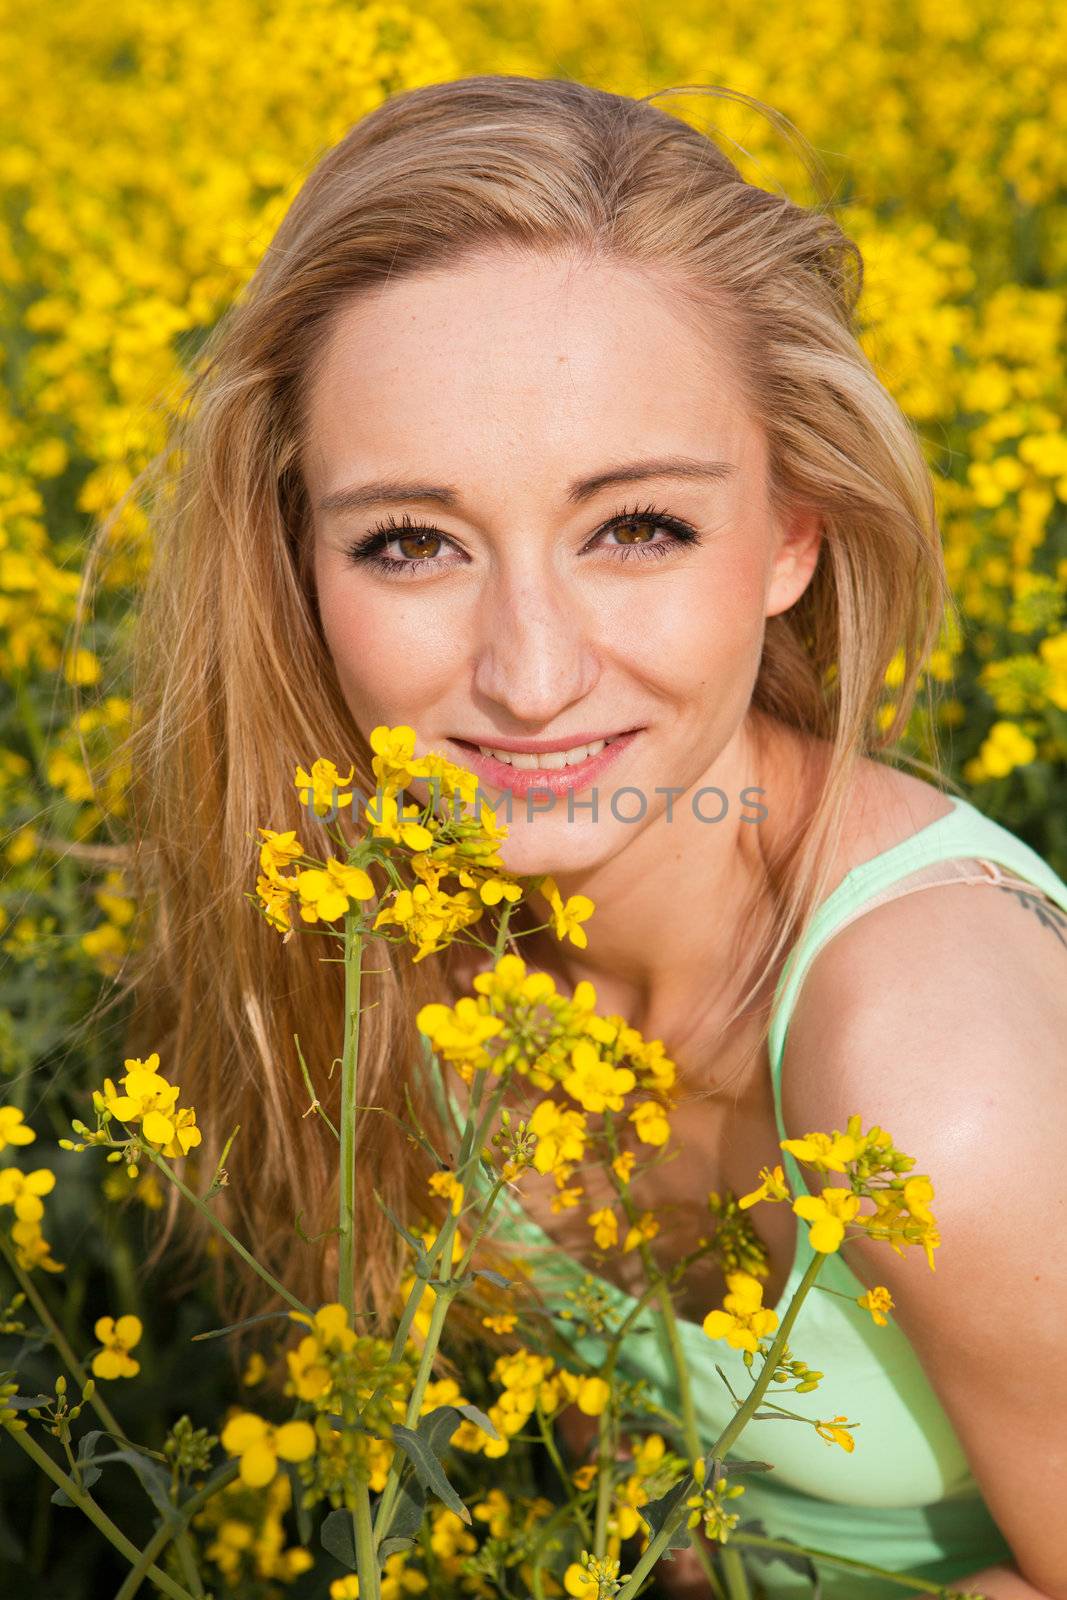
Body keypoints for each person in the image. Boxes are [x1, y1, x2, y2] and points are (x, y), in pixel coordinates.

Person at [86, 75, 1067, 1599]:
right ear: (295, 563)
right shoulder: (393, 928)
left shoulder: (938, 1068)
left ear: (794, 533)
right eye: (410, 544)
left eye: (637, 528)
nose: (529, 675)